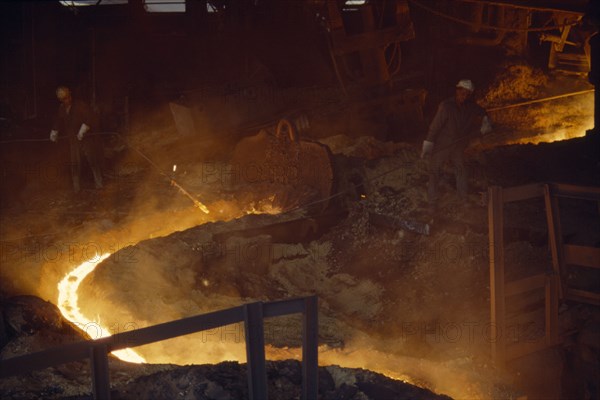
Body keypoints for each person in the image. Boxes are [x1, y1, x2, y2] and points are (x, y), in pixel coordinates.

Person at [420, 79, 491, 208]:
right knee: (435, 170)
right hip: (443, 144)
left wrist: (486, 121)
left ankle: (463, 199)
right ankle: (432, 201)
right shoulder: (446, 106)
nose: (464, 97)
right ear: (457, 91)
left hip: (458, 145)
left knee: (461, 169)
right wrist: (428, 145)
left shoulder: (471, 107)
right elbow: (435, 126)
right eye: (462, 93)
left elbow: (483, 112)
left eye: (467, 95)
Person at [49, 86, 103, 193]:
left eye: (67, 98)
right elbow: (58, 121)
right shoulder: (62, 108)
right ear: (61, 100)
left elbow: (90, 117)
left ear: (70, 96)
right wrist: (54, 131)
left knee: (92, 159)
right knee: (74, 163)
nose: (66, 100)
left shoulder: (79, 105)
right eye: (64, 99)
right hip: (73, 139)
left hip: (86, 138)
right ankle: (76, 188)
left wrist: (83, 129)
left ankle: (99, 184)